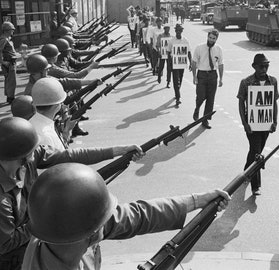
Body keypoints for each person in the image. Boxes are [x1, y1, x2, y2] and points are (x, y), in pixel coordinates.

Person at [22, 162, 230, 269]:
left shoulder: (61, 227)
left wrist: (196, 201)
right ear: (93, 233)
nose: (110, 221)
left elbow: (138, 215)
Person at [0, 117, 144, 270]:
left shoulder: (27, 158)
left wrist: (118, 151)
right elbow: (5, 244)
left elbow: (69, 156)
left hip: (38, 237)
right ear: (17, 155)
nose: (35, 152)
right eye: (31, 150)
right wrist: (42, 221)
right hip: (15, 260)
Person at [237, 53, 279, 196]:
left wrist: (274, 121)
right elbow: (241, 103)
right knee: (257, 153)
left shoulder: (273, 81)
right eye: (261, 66)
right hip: (252, 124)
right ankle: (256, 186)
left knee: (256, 150)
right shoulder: (246, 82)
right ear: (254, 67)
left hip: (266, 124)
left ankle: (246, 172)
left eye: (266, 65)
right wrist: (245, 123)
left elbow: (274, 102)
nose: (264, 69)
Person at [29, 77, 74, 149]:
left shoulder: (31, 123)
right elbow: (61, 157)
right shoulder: (47, 135)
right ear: (57, 106)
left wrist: (66, 132)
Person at [191, 29, 224, 129]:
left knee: (210, 99)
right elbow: (194, 63)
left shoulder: (218, 49)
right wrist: (194, 76)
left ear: (216, 39)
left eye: (213, 39)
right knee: (201, 96)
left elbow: (221, 64)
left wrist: (221, 78)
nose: (211, 40)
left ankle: (205, 120)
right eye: (210, 38)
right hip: (202, 74)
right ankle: (197, 109)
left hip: (213, 75)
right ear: (207, 37)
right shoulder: (199, 48)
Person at [167, 23, 192, 107]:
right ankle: (178, 97)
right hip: (174, 64)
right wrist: (169, 63)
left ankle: (177, 91)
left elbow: (188, 52)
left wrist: (190, 63)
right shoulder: (172, 41)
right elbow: (168, 52)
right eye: (177, 31)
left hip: (181, 63)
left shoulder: (185, 40)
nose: (178, 32)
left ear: (181, 31)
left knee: (180, 79)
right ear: (175, 31)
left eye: (180, 31)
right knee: (175, 80)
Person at [0, 22, 17, 104]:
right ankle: (11, 98)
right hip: (9, 62)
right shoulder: (3, 39)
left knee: (10, 80)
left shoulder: (7, 39)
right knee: (11, 80)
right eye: (11, 30)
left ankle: (9, 96)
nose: (13, 31)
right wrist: (2, 62)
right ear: (7, 30)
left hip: (11, 61)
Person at [156, 23, 172, 88]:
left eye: (168, 29)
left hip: (168, 55)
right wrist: (159, 52)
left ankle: (168, 82)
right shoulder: (160, 36)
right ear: (164, 29)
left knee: (169, 68)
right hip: (162, 54)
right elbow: (157, 45)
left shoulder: (171, 37)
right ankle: (159, 76)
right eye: (166, 28)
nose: (167, 30)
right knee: (161, 67)